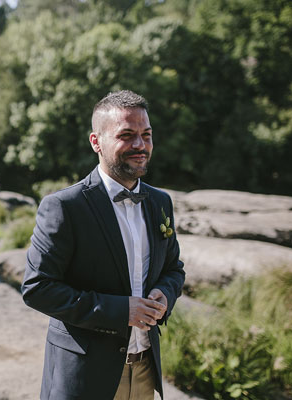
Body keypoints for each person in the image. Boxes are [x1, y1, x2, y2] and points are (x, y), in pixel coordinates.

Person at [21, 90, 185, 400]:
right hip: (84, 376)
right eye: (127, 135)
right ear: (96, 142)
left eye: (146, 135)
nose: (140, 145)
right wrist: (120, 310)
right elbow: (37, 288)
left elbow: (174, 268)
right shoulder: (64, 206)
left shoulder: (160, 202)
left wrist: (167, 293)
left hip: (145, 370)